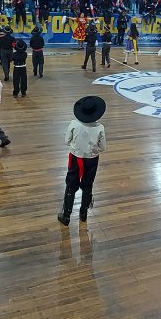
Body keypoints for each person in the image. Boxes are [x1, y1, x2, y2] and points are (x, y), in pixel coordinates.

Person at [58, 96, 107, 225]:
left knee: (71, 184)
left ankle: (66, 215)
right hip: (91, 160)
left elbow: (66, 141)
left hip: (75, 157)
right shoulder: (100, 127)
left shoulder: (74, 124)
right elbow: (102, 148)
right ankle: (83, 213)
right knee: (87, 184)